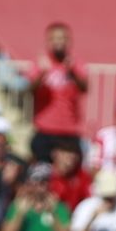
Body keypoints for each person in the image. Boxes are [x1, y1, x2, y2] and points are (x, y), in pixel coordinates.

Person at [27, 22, 89, 162]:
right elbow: (30, 90)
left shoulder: (75, 63)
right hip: (45, 129)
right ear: (48, 41)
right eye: (55, 38)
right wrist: (42, 74)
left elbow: (84, 88)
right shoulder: (41, 62)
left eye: (62, 38)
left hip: (69, 130)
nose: (58, 42)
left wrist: (72, 71)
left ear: (69, 41)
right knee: (43, 171)